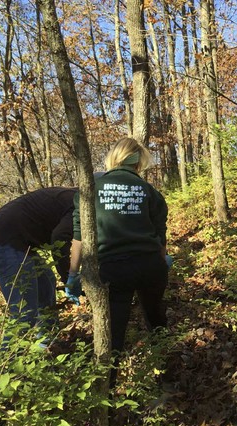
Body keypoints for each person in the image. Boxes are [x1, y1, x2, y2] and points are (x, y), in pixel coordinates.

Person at [67, 137, 169, 386]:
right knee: (155, 318)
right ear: (138, 163)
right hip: (150, 267)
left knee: (113, 336)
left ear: (113, 158)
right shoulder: (150, 192)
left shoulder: (90, 190)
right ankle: (164, 372)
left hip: (113, 270)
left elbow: (79, 239)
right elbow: (160, 236)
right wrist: (163, 261)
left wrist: (72, 275)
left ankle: (107, 394)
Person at [0, 187, 77, 347]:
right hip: (3, 243)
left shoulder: (68, 197)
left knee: (46, 284)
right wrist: (68, 278)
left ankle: (48, 345)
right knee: (24, 312)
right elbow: (59, 238)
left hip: (20, 244)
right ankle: (7, 368)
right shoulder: (76, 202)